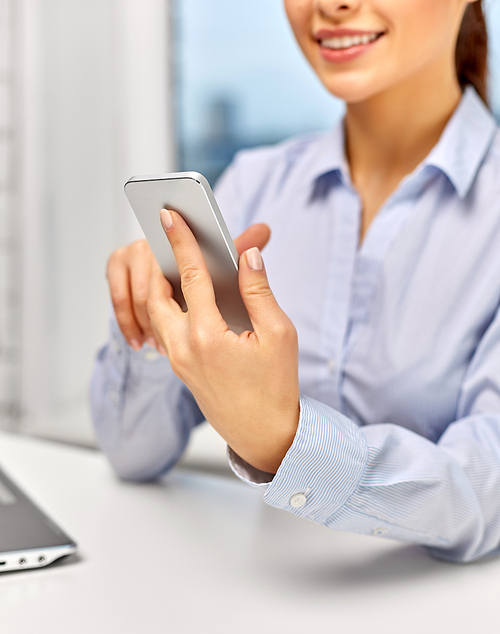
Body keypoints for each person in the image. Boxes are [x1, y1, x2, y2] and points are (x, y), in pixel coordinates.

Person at [90, 0, 500, 563]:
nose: (332, 5)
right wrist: (150, 322)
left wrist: (285, 439)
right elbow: (131, 454)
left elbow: (483, 491)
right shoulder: (254, 186)